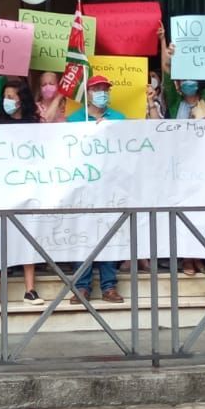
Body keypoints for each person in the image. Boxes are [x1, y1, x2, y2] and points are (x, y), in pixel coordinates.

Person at [66, 75, 124, 303]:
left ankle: (109, 286)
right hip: (82, 187)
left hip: (110, 187)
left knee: (109, 235)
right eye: (98, 89)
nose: (103, 93)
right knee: (83, 235)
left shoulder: (119, 119)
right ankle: (82, 286)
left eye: (106, 89)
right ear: (88, 93)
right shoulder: (74, 120)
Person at [0, 82, 40, 302]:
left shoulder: (33, 123)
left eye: (12, 96)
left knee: (27, 235)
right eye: (5, 96)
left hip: (25, 185)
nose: (8, 100)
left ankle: (30, 289)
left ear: (22, 99)